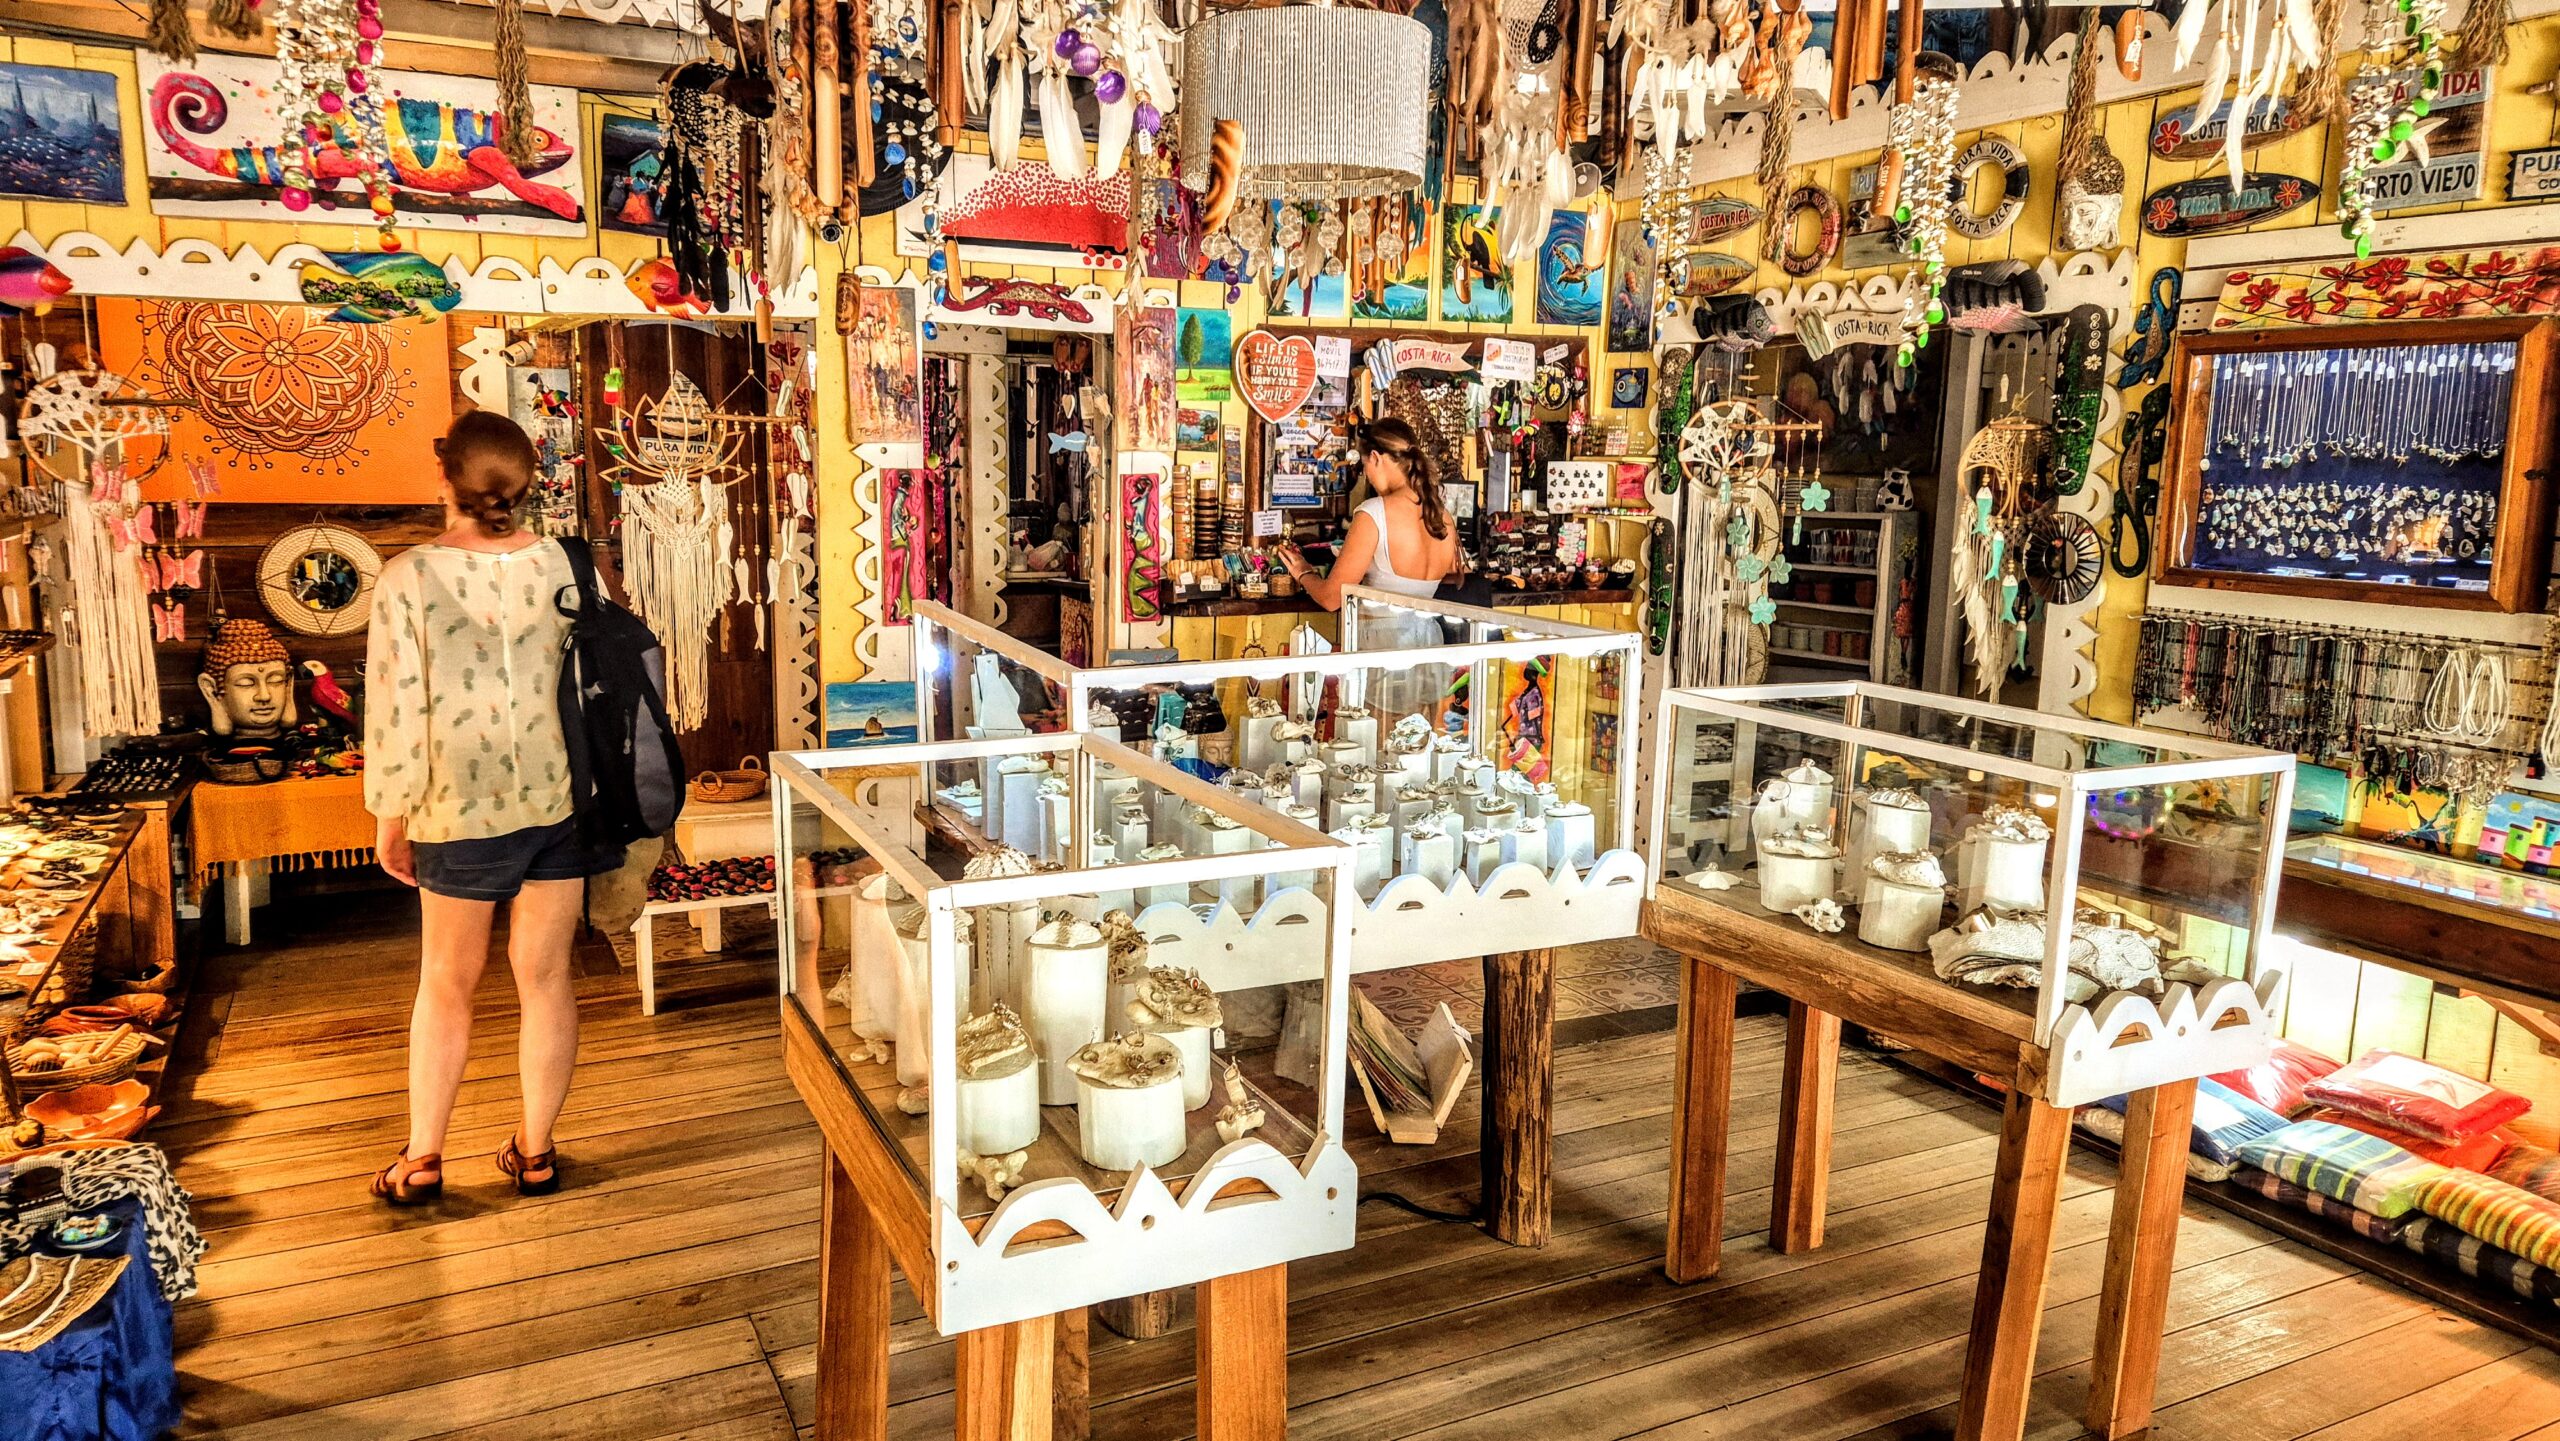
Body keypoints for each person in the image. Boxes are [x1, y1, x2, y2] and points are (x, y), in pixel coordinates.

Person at [362, 410, 623, 1205]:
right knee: (545, 978)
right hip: (560, 797)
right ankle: (535, 1151)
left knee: (446, 982)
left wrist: (390, 814)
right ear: (526, 482)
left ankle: (423, 1158)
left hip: (455, 806)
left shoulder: (409, 576)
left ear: (446, 478)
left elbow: (396, 706)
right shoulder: (567, 566)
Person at [1275, 417, 1459, 613]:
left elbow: (1331, 599)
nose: (1367, 476)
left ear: (1375, 458)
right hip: (1429, 632)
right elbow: (1445, 575)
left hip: (1381, 632)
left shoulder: (1374, 514)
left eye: (1364, 467)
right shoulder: (1443, 516)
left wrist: (1303, 572)